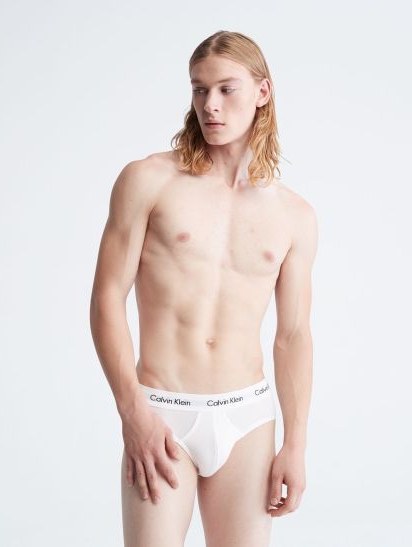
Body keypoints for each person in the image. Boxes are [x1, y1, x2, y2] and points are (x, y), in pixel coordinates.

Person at [90, 30, 318, 547]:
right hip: (162, 412)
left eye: (226, 89)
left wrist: (296, 444)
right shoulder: (148, 180)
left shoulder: (295, 216)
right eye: (199, 89)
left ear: (262, 92)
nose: (209, 105)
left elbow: (293, 336)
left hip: (248, 418)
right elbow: (106, 299)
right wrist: (133, 412)